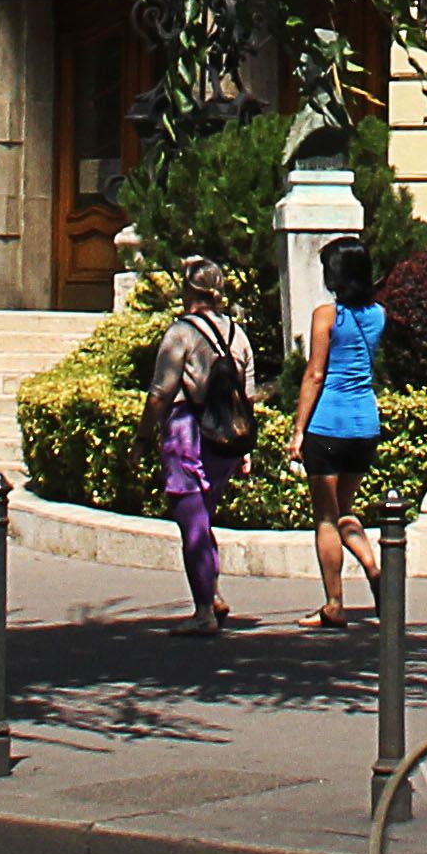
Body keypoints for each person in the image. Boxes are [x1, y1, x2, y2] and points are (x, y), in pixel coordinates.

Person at [140, 254, 260, 638]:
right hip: (226, 438)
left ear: (189, 290)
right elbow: (249, 394)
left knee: (190, 520)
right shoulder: (237, 334)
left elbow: (161, 391)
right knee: (202, 517)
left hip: (187, 432)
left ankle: (204, 609)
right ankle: (212, 591)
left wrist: (144, 435)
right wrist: (245, 448)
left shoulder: (182, 333)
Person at [295, 236, 385, 629]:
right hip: (364, 423)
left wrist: (298, 430)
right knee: (345, 509)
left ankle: (334, 604)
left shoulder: (325, 316)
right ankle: (373, 567)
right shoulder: (379, 315)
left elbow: (315, 373)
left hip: (328, 423)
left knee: (326, 519)